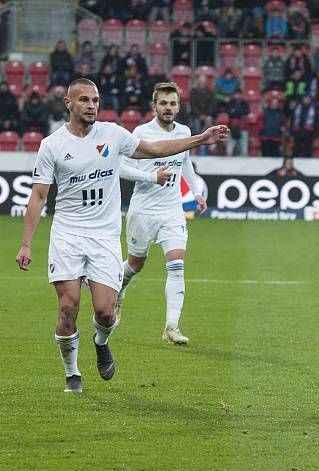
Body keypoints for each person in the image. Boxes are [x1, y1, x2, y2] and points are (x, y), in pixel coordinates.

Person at [15, 78, 227, 394]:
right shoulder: (52, 145)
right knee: (68, 307)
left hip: (105, 235)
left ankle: (101, 341)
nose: (91, 105)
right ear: (69, 104)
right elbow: (39, 196)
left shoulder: (113, 134)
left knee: (104, 311)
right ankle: (72, 374)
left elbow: (154, 149)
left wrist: (200, 139)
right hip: (68, 234)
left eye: (95, 100)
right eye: (84, 100)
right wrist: (27, 242)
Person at [114, 81, 208, 345]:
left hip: (172, 210)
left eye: (173, 103)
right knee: (135, 264)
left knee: (177, 265)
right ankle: (119, 290)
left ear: (178, 106)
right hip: (142, 211)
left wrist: (196, 192)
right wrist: (152, 177)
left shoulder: (185, 131)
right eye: (163, 103)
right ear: (154, 106)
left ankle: (171, 327)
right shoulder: (140, 133)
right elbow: (122, 168)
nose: (168, 108)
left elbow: (185, 160)